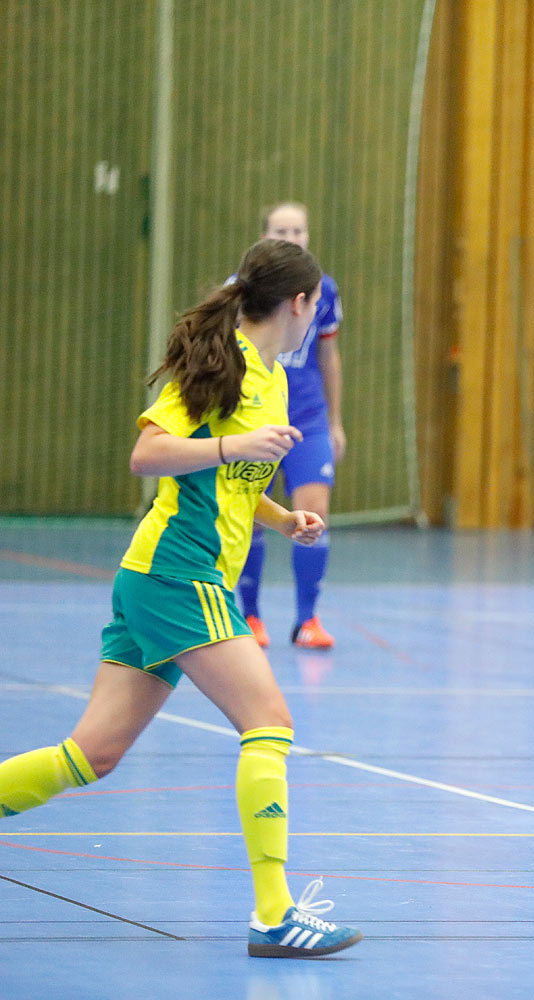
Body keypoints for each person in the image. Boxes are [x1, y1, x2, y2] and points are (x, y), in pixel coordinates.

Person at [0, 239, 361, 956]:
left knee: (89, 755)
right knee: (269, 721)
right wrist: (236, 446)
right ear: (297, 305)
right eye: (314, 305)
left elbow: (235, 480)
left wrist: (285, 519)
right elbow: (150, 454)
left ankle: (275, 913)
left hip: (162, 578)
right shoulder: (219, 365)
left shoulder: (274, 378)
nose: (315, 316)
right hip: (176, 573)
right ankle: (274, 913)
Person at [236, 202, 345, 649]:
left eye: (299, 230)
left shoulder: (324, 292)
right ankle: (250, 617)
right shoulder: (244, 295)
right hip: (258, 413)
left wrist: (335, 421)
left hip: (307, 417)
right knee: (250, 508)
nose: (291, 236)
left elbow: (329, 356)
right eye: (281, 229)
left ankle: (307, 620)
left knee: (313, 510)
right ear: (264, 237)